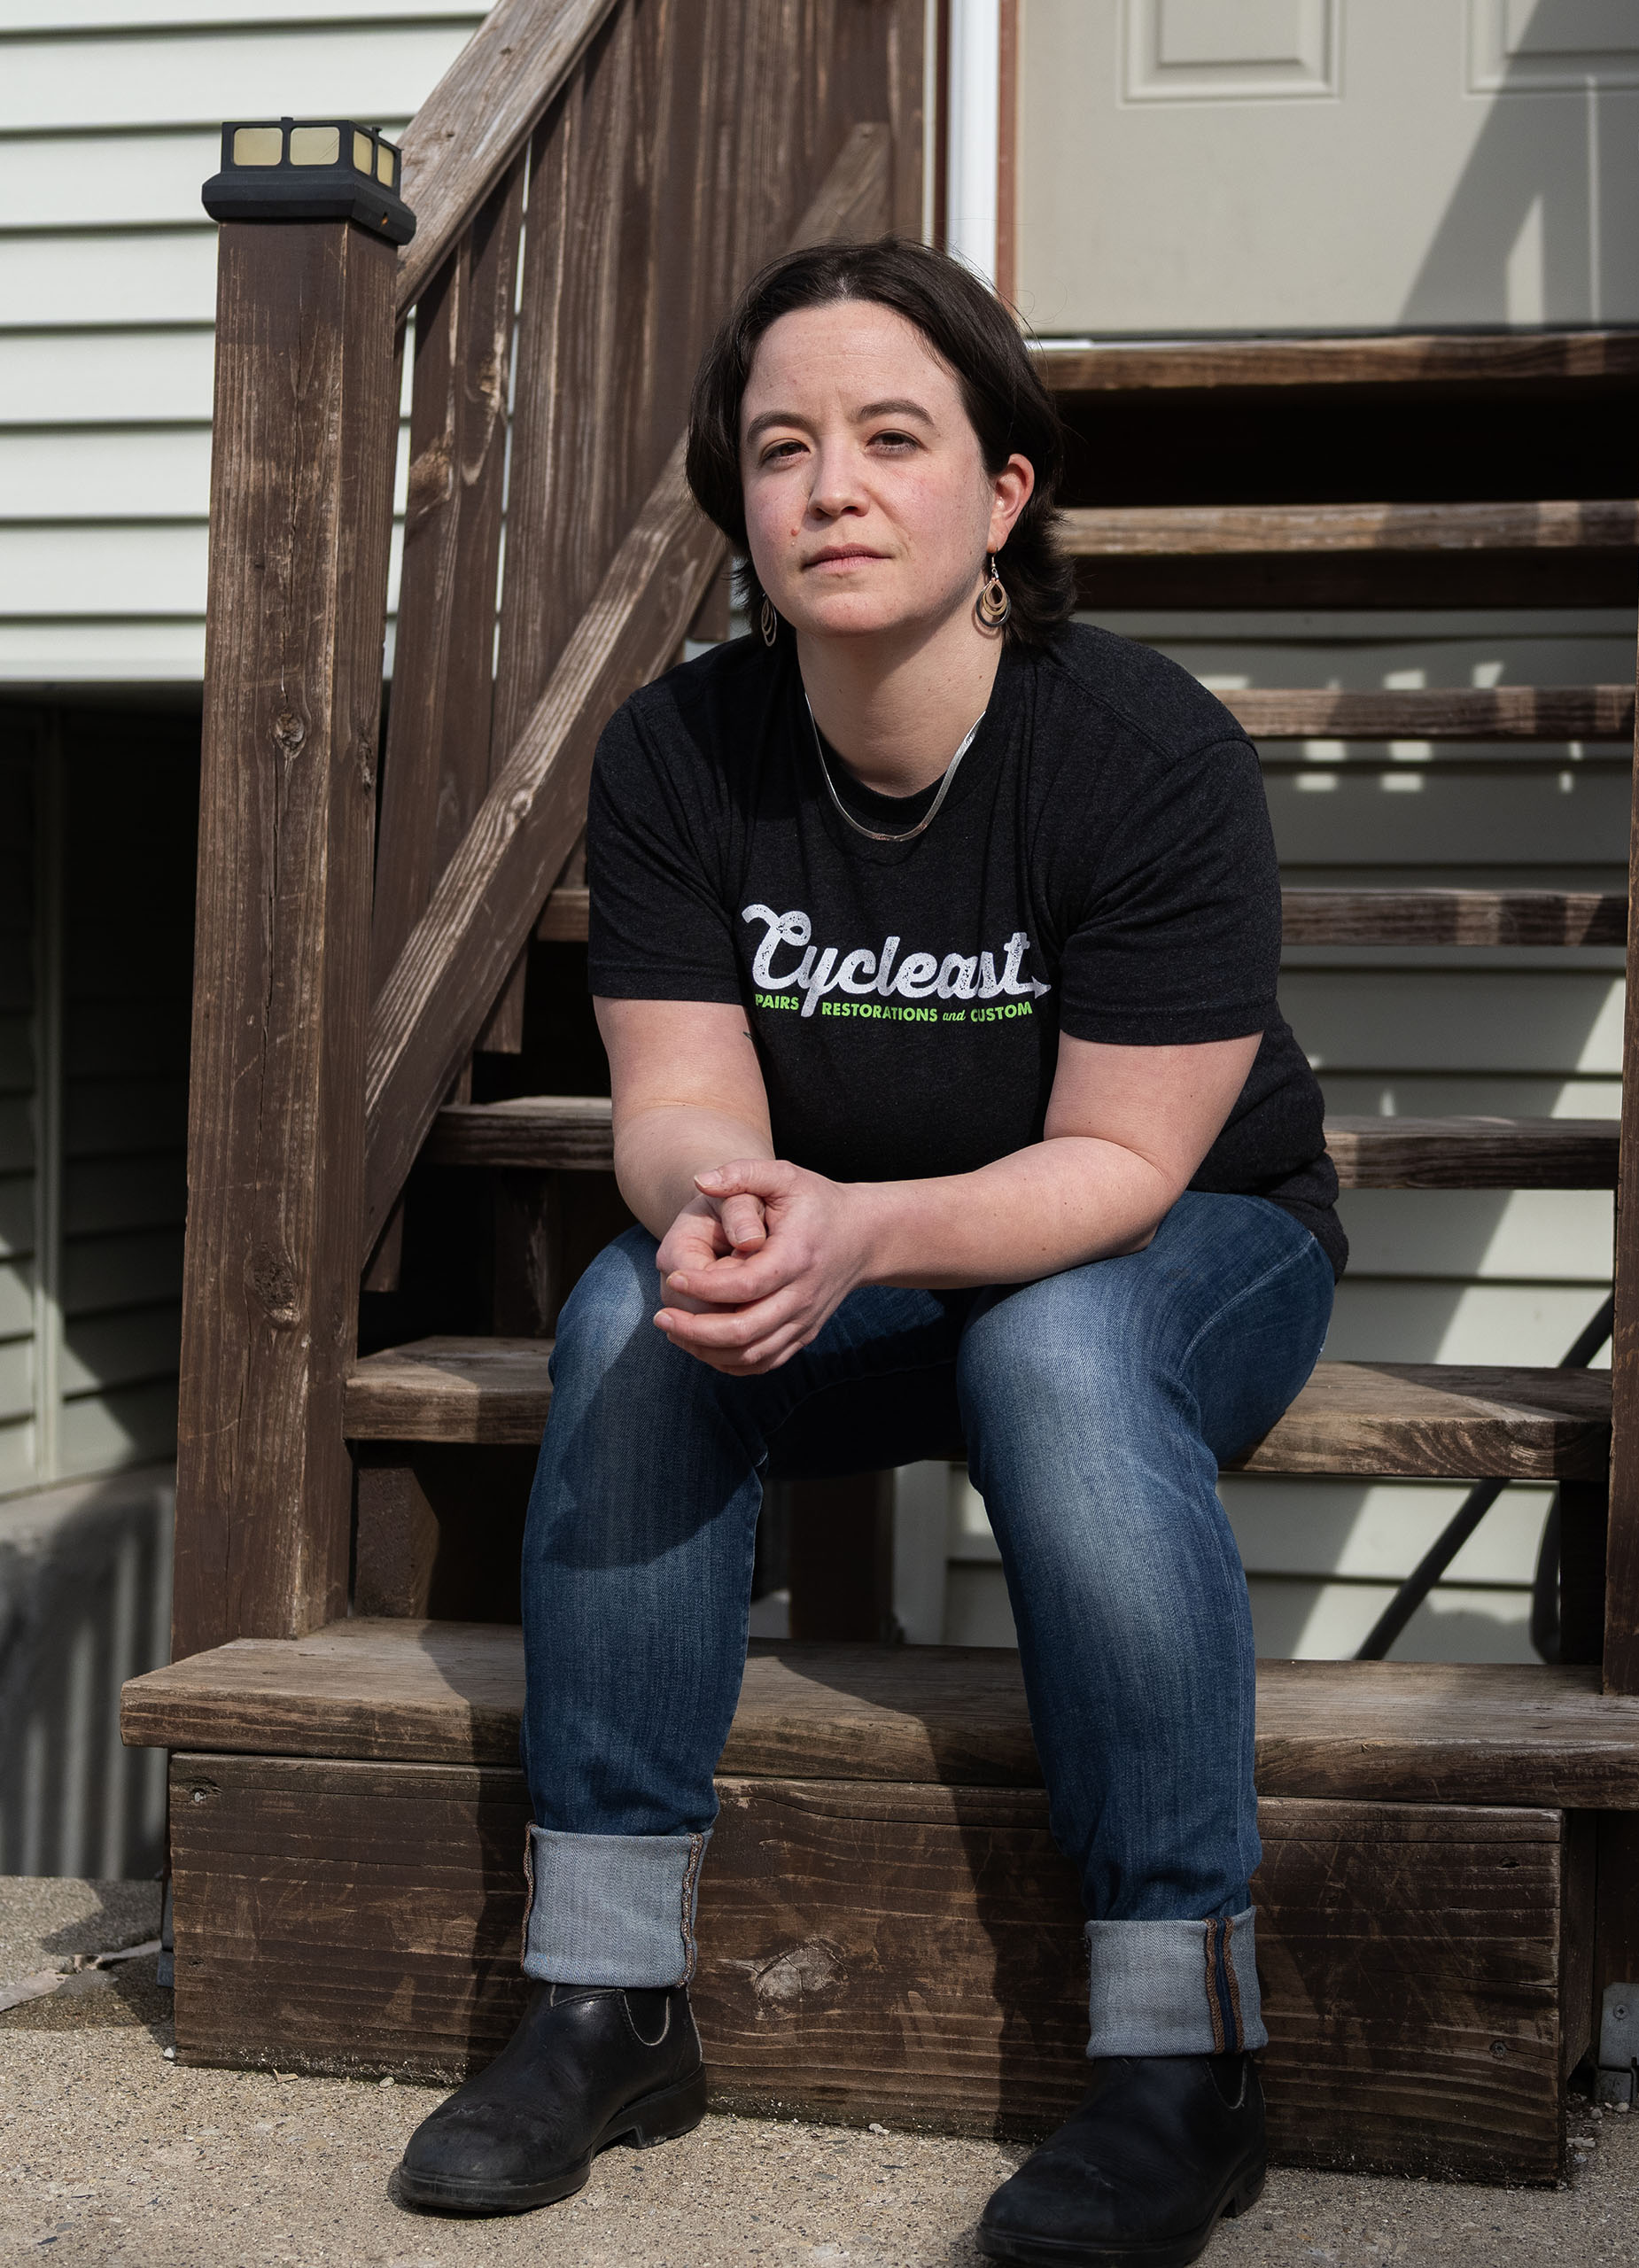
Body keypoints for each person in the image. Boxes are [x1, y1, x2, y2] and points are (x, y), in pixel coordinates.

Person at [388, 237, 1342, 2268]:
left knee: (1056, 1352)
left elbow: (1119, 1161)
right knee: (633, 1309)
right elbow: (676, 1103)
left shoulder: (1143, 752)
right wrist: (733, 1209)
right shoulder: (679, 751)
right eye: (782, 447)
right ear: (738, 501)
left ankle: (1183, 2053)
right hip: (864, 1250)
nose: (832, 485)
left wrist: (864, 1224)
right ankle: (607, 1998)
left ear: (1004, 492)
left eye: (894, 438)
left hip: (1191, 1239)